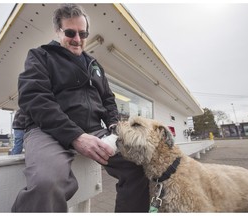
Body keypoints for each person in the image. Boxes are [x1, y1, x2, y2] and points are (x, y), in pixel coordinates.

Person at [12, 3, 149, 212]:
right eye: (70, 32)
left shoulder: (94, 65)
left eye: (83, 33)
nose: (77, 39)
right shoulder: (40, 56)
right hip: (47, 130)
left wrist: (114, 126)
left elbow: (108, 100)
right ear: (58, 31)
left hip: (94, 130)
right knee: (46, 183)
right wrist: (76, 136)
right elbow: (34, 98)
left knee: (140, 164)